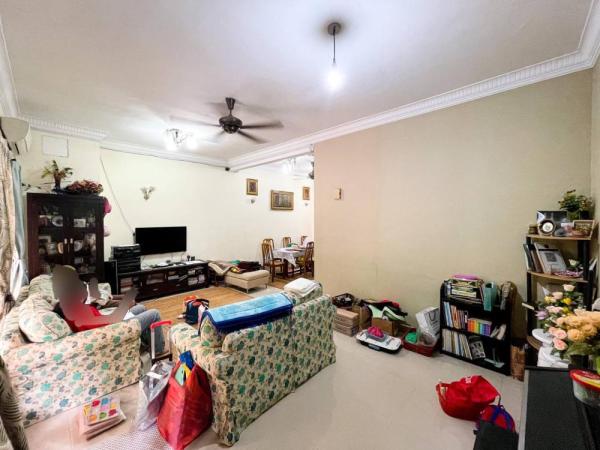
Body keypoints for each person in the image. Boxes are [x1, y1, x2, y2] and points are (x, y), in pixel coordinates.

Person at [52, 265, 164, 353]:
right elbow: (104, 326)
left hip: (110, 322)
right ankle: (158, 350)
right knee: (154, 313)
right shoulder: (78, 313)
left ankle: (145, 342)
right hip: (116, 328)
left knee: (141, 307)